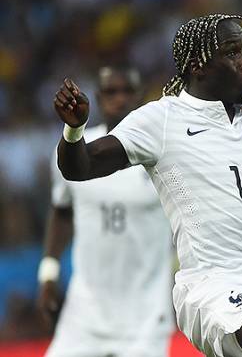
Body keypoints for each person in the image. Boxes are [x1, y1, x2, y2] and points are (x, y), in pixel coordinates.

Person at [53, 14, 242, 356]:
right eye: (232, 52)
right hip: (210, 286)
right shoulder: (162, 121)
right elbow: (80, 166)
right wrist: (74, 130)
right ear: (197, 67)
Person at [39, 66, 175, 357]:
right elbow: (62, 210)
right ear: (99, 98)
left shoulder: (164, 153)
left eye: (128, 91)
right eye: (111, 92)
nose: (120, 98)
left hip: (146, 315)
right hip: (85, 313)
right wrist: (48, 272)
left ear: (141, 96)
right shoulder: (73, 152)